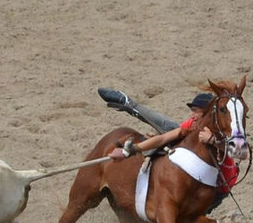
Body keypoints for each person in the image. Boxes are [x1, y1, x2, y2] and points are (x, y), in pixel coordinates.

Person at [98, 88, 239, 213]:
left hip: (215, 188)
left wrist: (212, 140)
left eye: (196, 111)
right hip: (195, 175)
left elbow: (238, 152)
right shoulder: (193, 124)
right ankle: (128, 103)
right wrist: (133, 150)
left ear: (208, 114)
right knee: (169, 127)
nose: (192, 115)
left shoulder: (221, 130)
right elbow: (164, 138)